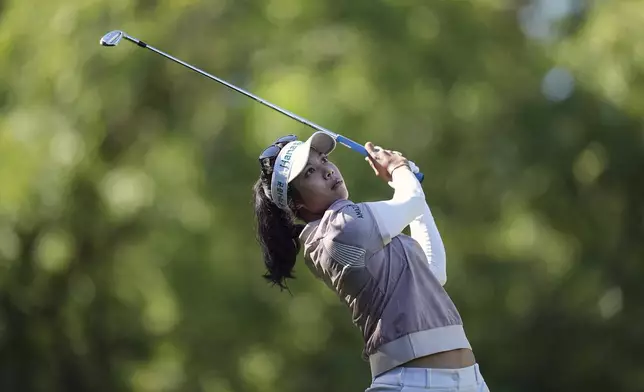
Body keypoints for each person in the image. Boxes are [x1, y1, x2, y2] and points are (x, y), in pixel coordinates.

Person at [252, 132, 490, 391]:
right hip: (409, 383)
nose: (327, 170)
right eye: (310, 172)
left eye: (324, 160)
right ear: (296, 206)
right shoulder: (340, 228)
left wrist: (408, 181)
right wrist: (399, 170)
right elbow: (411, 202)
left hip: (470, 381)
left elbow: (434, 272)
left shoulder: (359, 229)